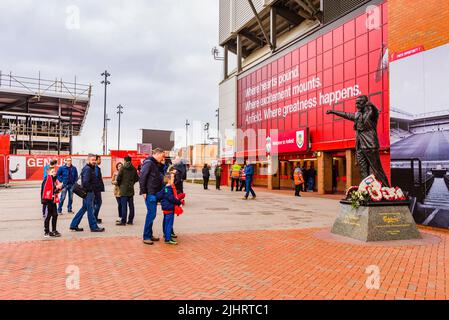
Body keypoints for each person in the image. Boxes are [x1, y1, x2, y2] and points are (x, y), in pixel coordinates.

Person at [327, 95, 390, 187]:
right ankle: (367, 190)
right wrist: (333, 111)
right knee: (363, 170)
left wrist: (371, 104)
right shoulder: (357, 115)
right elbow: (346, 114)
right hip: (359, 146)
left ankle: (386, 189)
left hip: (370, 145)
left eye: (359, 102)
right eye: (356, 103)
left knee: (376, 169)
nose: (356, 104)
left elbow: (376, 110)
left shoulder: (371, 113)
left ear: (365, 103)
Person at [70, 154, 105, 233]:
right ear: (88, 160)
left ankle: (73, 225)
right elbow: (85, 182)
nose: (94, 161)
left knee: (84, 208)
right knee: (90, 210)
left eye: (95, 160)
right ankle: (94, 227)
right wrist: (91, 189)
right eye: (92, 160)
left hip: (88, 192)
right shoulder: (88, 169)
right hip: (88, 193)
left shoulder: (90, 168)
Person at [140, 148, 165, 245]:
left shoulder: (155, 164)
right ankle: (146, 236)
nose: (163, 158)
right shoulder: (149, 163)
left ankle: (149, 235)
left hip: (154, 192)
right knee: (151, 214)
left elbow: (161, 175)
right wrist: (143, 191)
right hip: (149, 192)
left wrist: (162, 165)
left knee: (152, 214)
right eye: (162, 156)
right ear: (157, 154)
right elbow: (142, 177)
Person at [158, 173, 183, 245]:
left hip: (166, 208)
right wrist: (179, 202)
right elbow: (172, 198)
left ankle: (166, 235)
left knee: (166, 223)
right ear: (168, 180)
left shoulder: (165, 188)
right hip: (169, 208)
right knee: (169, 223)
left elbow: (159, 195)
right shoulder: (168, 189)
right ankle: (168, 239)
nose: (174, 179)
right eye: (172, 178)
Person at [116, 156, 139, 226]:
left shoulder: (122, 168)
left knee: (124, 206)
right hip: (130, 189)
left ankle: (123, 221)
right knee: (131, 206)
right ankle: (130, 220)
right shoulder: (134, 168)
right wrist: (132, 183)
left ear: (125, 160)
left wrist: (120, 185)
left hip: (123, 189)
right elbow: (137, 178)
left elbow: (118, 178)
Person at [41, 166, 62, 237]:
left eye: (55, 171)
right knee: (48, 216)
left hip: (53, 200)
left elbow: (54, 191)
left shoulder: (54, 180)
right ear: (48, 173)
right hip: (48, 201)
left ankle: (54, 230)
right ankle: (46, 231)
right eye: (52, 172)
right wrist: (56, 187)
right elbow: (46, 190)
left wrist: (59, 188)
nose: (54, 173)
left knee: (55, 215)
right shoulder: (47, 179)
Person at [93, 155, 105, 224]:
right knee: (98, 203)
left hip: (95, 189)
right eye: (99, 159)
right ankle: (94, 217)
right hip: (96, 189)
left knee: (95, 203)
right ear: (96, 160)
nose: (100, 161)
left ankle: (95, 217)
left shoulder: (95, 168)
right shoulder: (96, 168)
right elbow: (96, 178)